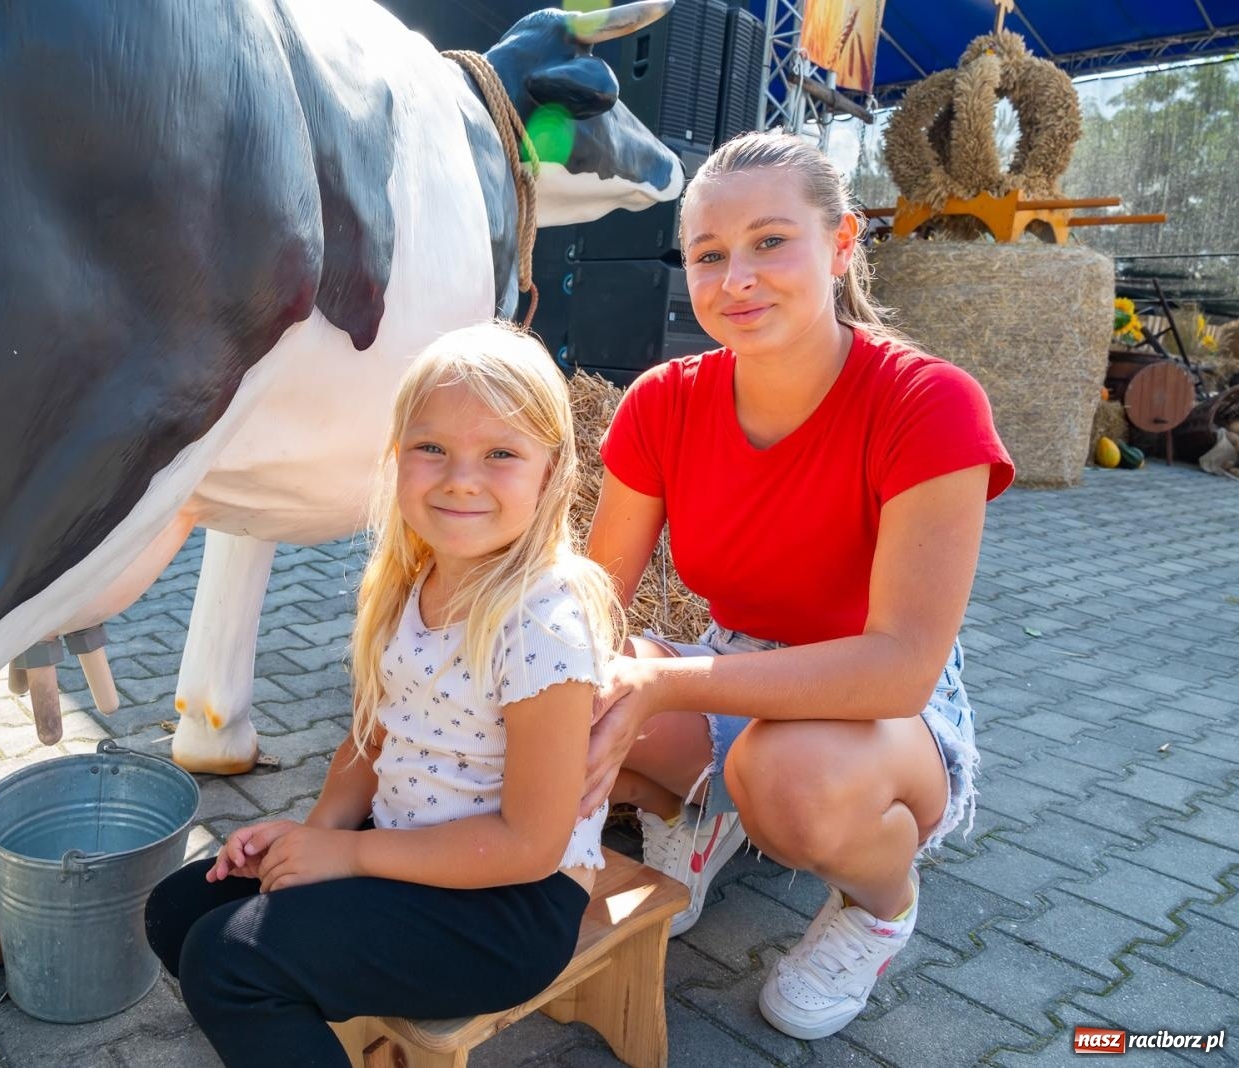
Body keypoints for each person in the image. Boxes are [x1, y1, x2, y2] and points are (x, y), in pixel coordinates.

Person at [580, 130, 1014, 1042]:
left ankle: (879, 906)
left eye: (770, 242)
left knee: (787, 776)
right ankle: (698, 820)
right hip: (736, 664)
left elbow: (896, 668)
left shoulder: (929, 404)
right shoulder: (661, 401)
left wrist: (659, 681)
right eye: (708, 254)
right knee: (576, 683)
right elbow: (592, 603)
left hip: (886, 707)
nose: (736, 277)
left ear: (843, 243)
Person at [144, 321, 624, 1067]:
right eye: (432, 448)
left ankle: (293, 997)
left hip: (509, 907)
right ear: (396, 459)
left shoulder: (542, 625)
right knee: (177, 912)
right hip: (406, 849)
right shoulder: (412, 581)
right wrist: (310, 837)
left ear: (551, 472)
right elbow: (373, 736)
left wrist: (349, 857)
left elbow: (530, 846)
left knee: (228, 962)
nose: (461, 477)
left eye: (500, 453)